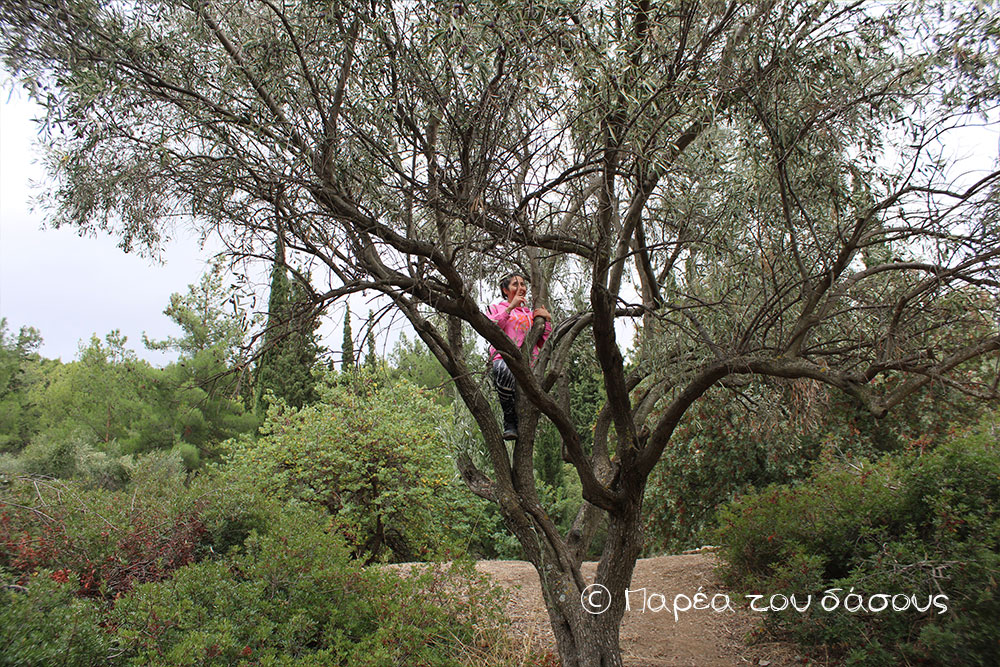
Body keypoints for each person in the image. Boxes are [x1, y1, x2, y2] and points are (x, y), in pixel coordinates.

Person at [486, 273, 552, 440]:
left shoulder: (530, 315)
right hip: (505, 360)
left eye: (523, 284)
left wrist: (546, 320)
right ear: (505, 290)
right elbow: (491, 328)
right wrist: (510, 308)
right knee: (502, 369)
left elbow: (544, 342)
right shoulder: (496, 308)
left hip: (529, 364)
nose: (521, 288)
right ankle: (509, 420)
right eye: (515, 284)